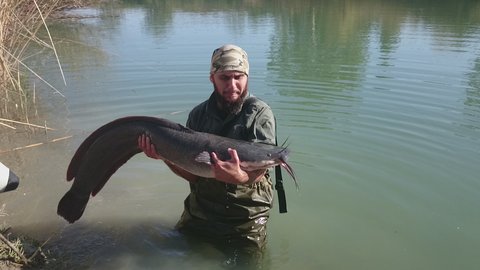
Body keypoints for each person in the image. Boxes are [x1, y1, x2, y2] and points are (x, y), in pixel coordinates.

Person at [138, 44, 276, 266]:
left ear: (247, 77)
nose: (232, 85)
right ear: (212, 78)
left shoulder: (260, 114)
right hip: (201, 209)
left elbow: (260, 171)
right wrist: (164, 155)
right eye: (224, 77)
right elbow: (193, 175)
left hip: (246, 216)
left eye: (238, 77)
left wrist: (237, 177)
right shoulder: (198, 115)